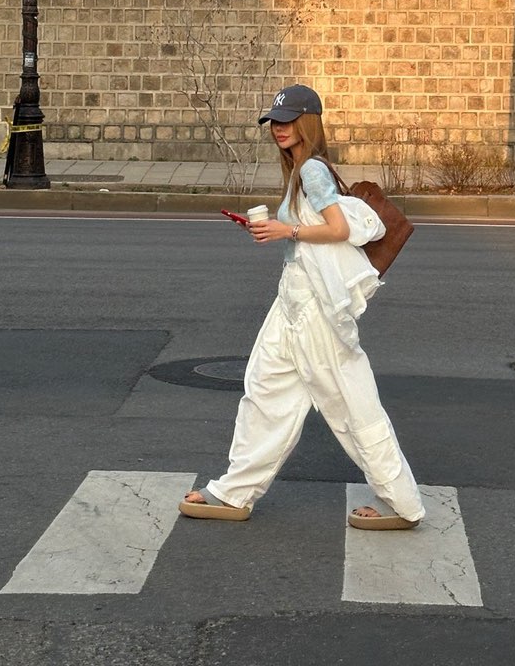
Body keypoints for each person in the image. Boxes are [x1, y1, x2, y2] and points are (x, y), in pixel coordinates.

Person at [179, 83, 425, 530]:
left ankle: (402, 501)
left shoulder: (312, 170)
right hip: (291, 298)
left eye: (288, 120)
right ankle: (235, 492)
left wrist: (284, 232)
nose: (279, 128)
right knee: (265, 391)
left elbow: (336, 229)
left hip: (315, 307)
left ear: (308, 121)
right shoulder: (299, 171)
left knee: (351, 406)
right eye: (275, 121)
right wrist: (275, 230)